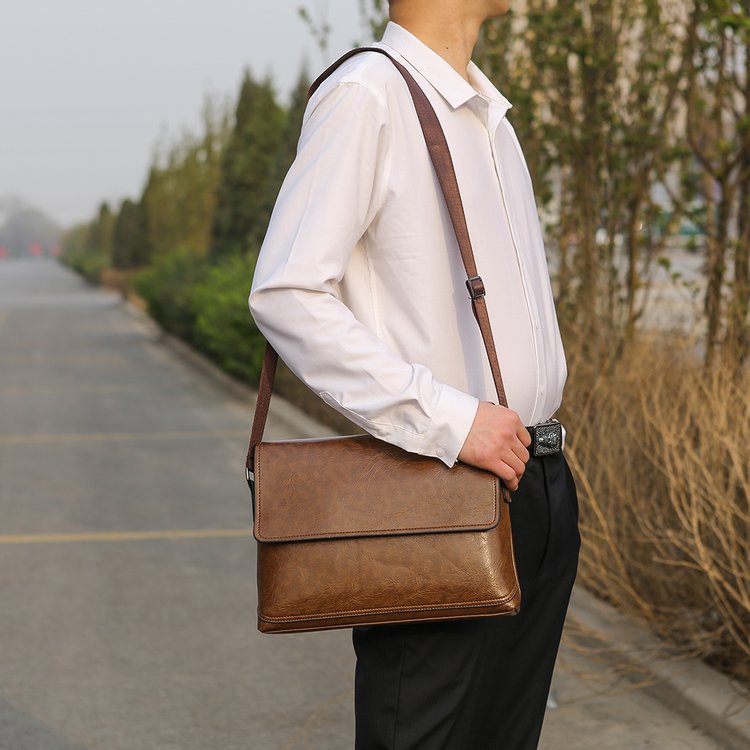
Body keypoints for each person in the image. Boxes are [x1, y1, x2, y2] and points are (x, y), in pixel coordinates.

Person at [248, 0, 581, 747]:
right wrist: (451, 421)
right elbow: (287, 292)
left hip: (538, 480)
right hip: (437, 489)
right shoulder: (369, 94)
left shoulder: (490, 117)